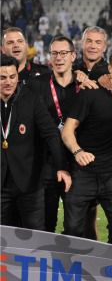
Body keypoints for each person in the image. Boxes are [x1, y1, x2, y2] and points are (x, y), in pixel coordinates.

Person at [61, 48, 112, 245]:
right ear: (109, 69)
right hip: (84, 172)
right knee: (73, 228)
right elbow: (67, 130)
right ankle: (72, 270)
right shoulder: (90, 93)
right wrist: (78, 152)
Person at [0, 54, 70, 229]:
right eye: (2, 77)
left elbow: (51, 134)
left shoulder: (31, 98)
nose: (8, 82)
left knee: (34, 238)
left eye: (12, 76)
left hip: (29, 183)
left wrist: (61, 166)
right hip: (1, 185)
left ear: (18, 76)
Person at [26, 36, 83, 232]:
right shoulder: (36, 85)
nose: (59, 58)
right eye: (55, 53)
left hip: (77, 162)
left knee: (75, 225)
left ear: (73, 56)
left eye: (63, 53)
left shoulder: (84, 85)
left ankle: (72, 262)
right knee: (46, 222)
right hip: (47, 163)